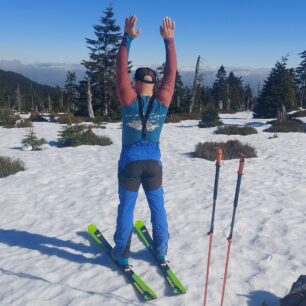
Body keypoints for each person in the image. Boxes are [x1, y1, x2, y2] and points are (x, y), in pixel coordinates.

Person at [113, 15, 177, 266]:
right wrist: (169, 41)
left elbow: (120, 72)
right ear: (154, 83)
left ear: (137, 82)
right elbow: (171, 72)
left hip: (130, 162)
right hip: (153, 163)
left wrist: (127, 38)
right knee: (157, 207)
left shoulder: (128, 98)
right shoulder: (163, 100)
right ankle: (160, 251)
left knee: (126, 209)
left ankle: (121, 252)